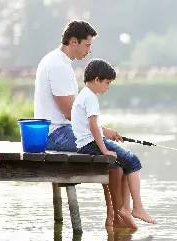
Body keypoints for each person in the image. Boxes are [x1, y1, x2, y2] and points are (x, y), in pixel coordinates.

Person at [33, 20, 127, 228]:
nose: (89, 50)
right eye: (87, 45)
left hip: (58, 130)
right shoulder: (58, 66)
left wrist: (101, 132)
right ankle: (115, 217)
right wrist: (101, 132)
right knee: (115, 155)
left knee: (111, 153)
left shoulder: (57, 61)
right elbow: (70, 113)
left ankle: (114, 215)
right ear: (73, 41)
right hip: (55, 134)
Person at [71, 58, 157, 227]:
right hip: (90, 145)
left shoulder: (84, 95)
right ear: (96, 79)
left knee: (126, 163)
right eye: (107, 82)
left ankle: (125, 208)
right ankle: (137, 208)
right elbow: (94, 127)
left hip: (84, 144)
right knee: (133, 161)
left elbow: (92, 127)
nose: (107, 87)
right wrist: (104, 150)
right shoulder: (90, 98)